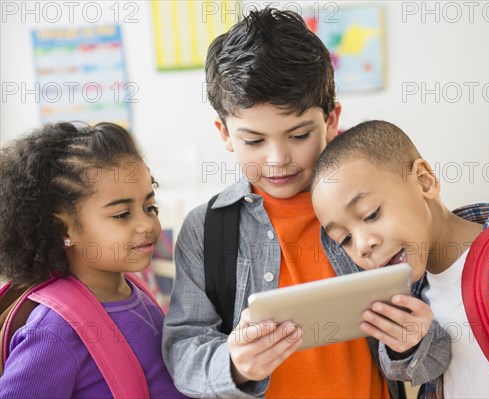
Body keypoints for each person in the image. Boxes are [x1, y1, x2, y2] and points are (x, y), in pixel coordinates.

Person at [162, 8, 450, 399]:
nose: (278, 159)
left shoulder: (376, 210)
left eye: (298, 135)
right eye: (253, 141)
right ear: (225, 134)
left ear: (331, 120)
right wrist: (234, 363)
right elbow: (183, 350)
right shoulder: (207, 229)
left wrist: (413, 342)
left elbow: (436, 349)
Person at [310, 120, 489, 398]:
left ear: (424, 181)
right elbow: (413, 370)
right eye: (344, 239)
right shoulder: (409, 294)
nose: (363, 245)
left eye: (372, 214)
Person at [0, 122, 186, 398]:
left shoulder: (134, 289)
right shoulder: (53, 331)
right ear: (65, 229)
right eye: (122, 214)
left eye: (150, 207)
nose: (146, 224)